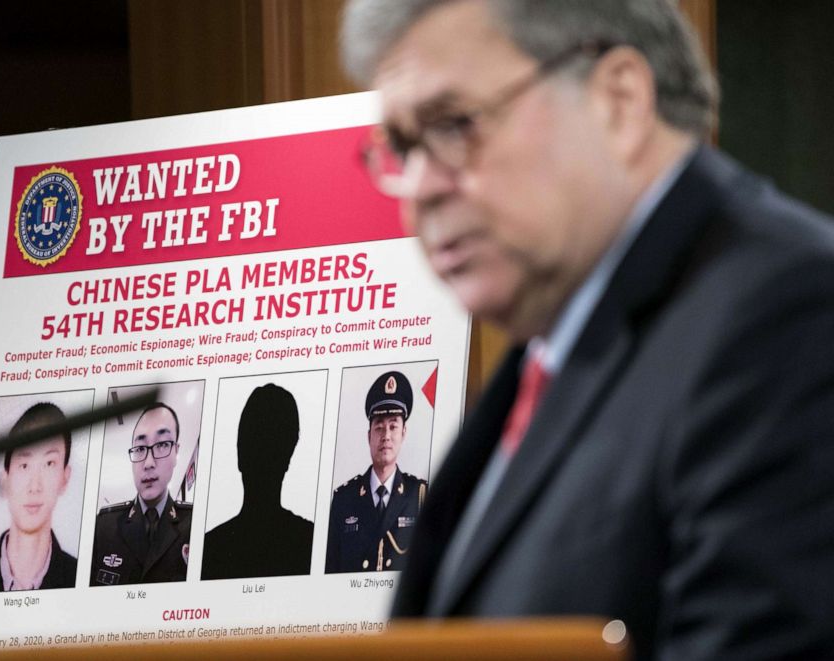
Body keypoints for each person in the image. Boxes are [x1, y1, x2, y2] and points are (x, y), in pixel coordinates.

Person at [341, 1, 834, 659]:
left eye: (455, 124)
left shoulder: (787, 314)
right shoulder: (551, 346)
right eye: (403, 147)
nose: (420, 187)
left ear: (619, 100)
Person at [202, 383, 313, 580]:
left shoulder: (209, 550)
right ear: (287, 458)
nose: (263, 456)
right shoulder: (310, 541)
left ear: (239, 454)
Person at [326, 371, 427, 573]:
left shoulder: (419, 496)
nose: (386, 436)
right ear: (369, 435)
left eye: (393, 427)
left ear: (403, 433)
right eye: (379, 427)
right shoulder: (343, 499)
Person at [0, 402, 77, 592]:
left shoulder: (78, 576)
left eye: (49, 463)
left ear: (65, 478)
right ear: (5, 480)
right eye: (24, 465)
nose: (34, 486)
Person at [90, 402, 192, 586]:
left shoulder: (193, 524)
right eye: (140, 449)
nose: (148, 463)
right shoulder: (104, 526)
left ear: (176, 452)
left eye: (162, 445)